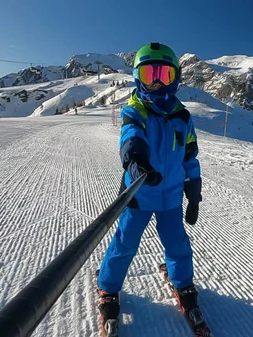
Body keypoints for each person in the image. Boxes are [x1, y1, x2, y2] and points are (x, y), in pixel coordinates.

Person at [96, 42, 203, 336]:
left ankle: (183, 284)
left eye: (164, 75)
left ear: (176, 78)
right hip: (139, 194)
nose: (156, 82)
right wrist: (135, 163)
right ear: (137, 77)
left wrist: (193, 191)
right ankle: (108, 287)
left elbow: (190, 155)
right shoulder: (135, 110)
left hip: (170, 197)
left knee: (177, 244)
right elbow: (131, 139)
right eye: (149, 74)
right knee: (125, 243)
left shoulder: (183, 117)